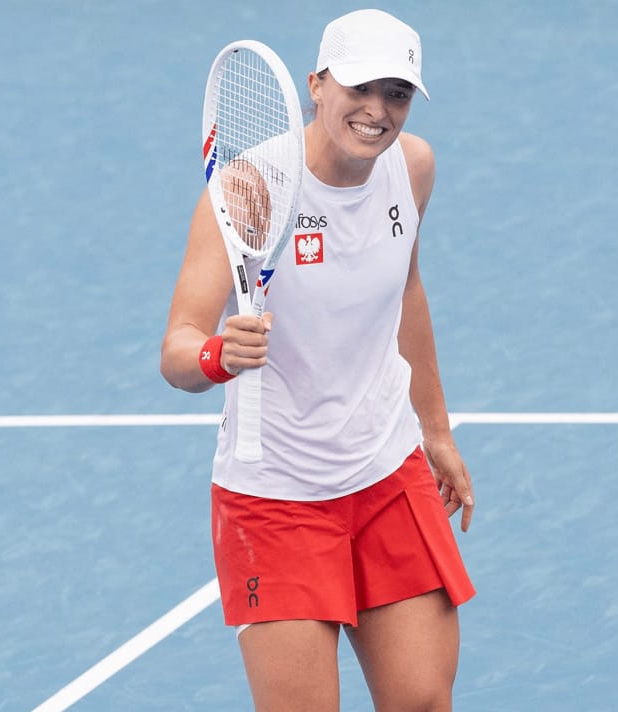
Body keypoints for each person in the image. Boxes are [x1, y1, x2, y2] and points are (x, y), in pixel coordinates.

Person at [161, 9, 475, 711]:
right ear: (317, 85)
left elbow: (406, 290)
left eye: (396, 93)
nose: (377, 111)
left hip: (386, 473)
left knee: (423, 701)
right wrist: (217, 355)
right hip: (276, 498)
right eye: (360, 88)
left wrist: (436, 431)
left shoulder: (413, 167)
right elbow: (177, 348)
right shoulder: (248, 187)